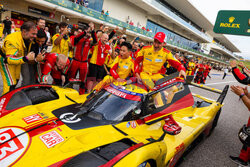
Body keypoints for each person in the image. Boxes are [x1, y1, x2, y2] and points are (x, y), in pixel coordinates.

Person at [0, 21, 41, 94]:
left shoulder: (27, 38)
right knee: (10, 84)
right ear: (24, 31)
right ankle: (5, 103)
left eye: (35, 34)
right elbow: (9, 60)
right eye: (33, 34)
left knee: (16, 80)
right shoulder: (13, 40)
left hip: (18, 59)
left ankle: (12, 98)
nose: (35, 36)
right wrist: (26, 58)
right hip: (7, 61)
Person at [68, 22, 96, 94]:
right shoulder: (76, 39)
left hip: (84, 63)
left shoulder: (89, 41)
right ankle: (68, 91)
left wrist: (92, 30)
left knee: (83, 81)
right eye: (87, 32)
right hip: (75, 61)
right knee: (71, 78)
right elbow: (77, 38)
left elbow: (95, 41)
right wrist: (86, 31)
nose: (88, 34)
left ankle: (81, 94)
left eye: (88, 33)